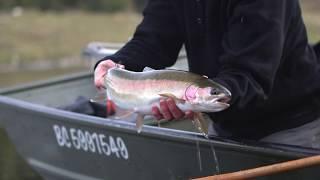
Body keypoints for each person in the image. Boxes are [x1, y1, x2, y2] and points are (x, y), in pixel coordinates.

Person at [94, 0, 320, 148]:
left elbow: (248, 75)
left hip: (289, 125)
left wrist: (194, 101)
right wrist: (116, 62)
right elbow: (152, 40)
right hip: (219, 119)